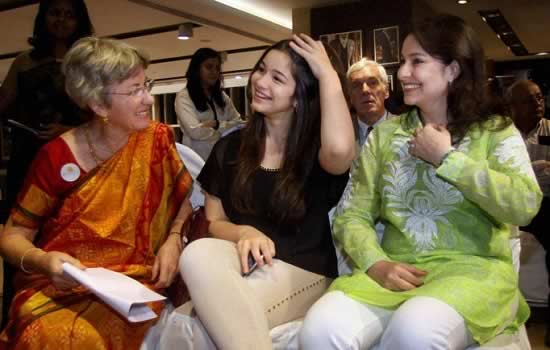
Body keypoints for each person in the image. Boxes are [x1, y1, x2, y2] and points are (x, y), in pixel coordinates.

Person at [300, 14, 542, 350]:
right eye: (402, 62)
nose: (402, 73)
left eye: (417, 61)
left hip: (471, 273)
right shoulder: (385, 136)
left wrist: (449, 159)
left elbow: (525, 205)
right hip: (395, 272)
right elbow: (351, 214)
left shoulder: (494, 130)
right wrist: (376, 263)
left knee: (415, 329)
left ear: (453, 69)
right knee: (319, 329)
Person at [0, 37, 193, 349]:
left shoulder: (156, 138)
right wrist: (44, 261)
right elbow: (12, 237)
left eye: (147, 85)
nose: (148, 98)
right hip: (64, 282)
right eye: (135, 91)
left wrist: (173, 240)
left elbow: (183, 198)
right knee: (51, 334)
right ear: (99, 105)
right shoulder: (56, 156)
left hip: (138, 281)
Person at [179, 34, 355, 349]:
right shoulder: (230, 147)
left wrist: (327, 74)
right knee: (195, 254)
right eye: (261, 70)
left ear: (300, 96)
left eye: (277, 78)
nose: (260, 81)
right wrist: (244, 232)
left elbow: (342, 149)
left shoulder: (316, 150)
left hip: (304, 269)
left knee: (189, 328)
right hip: (242, 262)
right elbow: (214, 220)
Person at [0, 0, 94, 210]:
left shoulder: (88, 62)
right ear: (43, 17)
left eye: (70, 15)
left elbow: (105, 114)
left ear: (79, 22)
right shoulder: (24, 61)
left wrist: (68, 131)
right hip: (28, 155)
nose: (61, 20)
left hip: (75, 153)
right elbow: (4, 102)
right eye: (55, 12)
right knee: (24, 217)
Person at [507, 79, 550, 345]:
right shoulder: (503, 134)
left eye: (539, 98)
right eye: (528, 100)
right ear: (511, 107)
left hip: (546, 202)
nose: (537, 104)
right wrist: (534, 167)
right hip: (511, 202)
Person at [175, 47, 244, 160]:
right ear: (197, 69)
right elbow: (195, 131)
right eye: (209, 67)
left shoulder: (222, 97)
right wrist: (223, 131)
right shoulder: (184, 97)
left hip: (222, 159)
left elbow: (238, 124)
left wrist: (216, 124)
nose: (214, 72)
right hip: (198, 163)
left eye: (217, 68)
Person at [347, 58, 395, 147]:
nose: (365, 90)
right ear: (350, 96)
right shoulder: (341, 133)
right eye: (357, 85)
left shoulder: (406, 129)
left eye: (373, 83)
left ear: (387, 91)